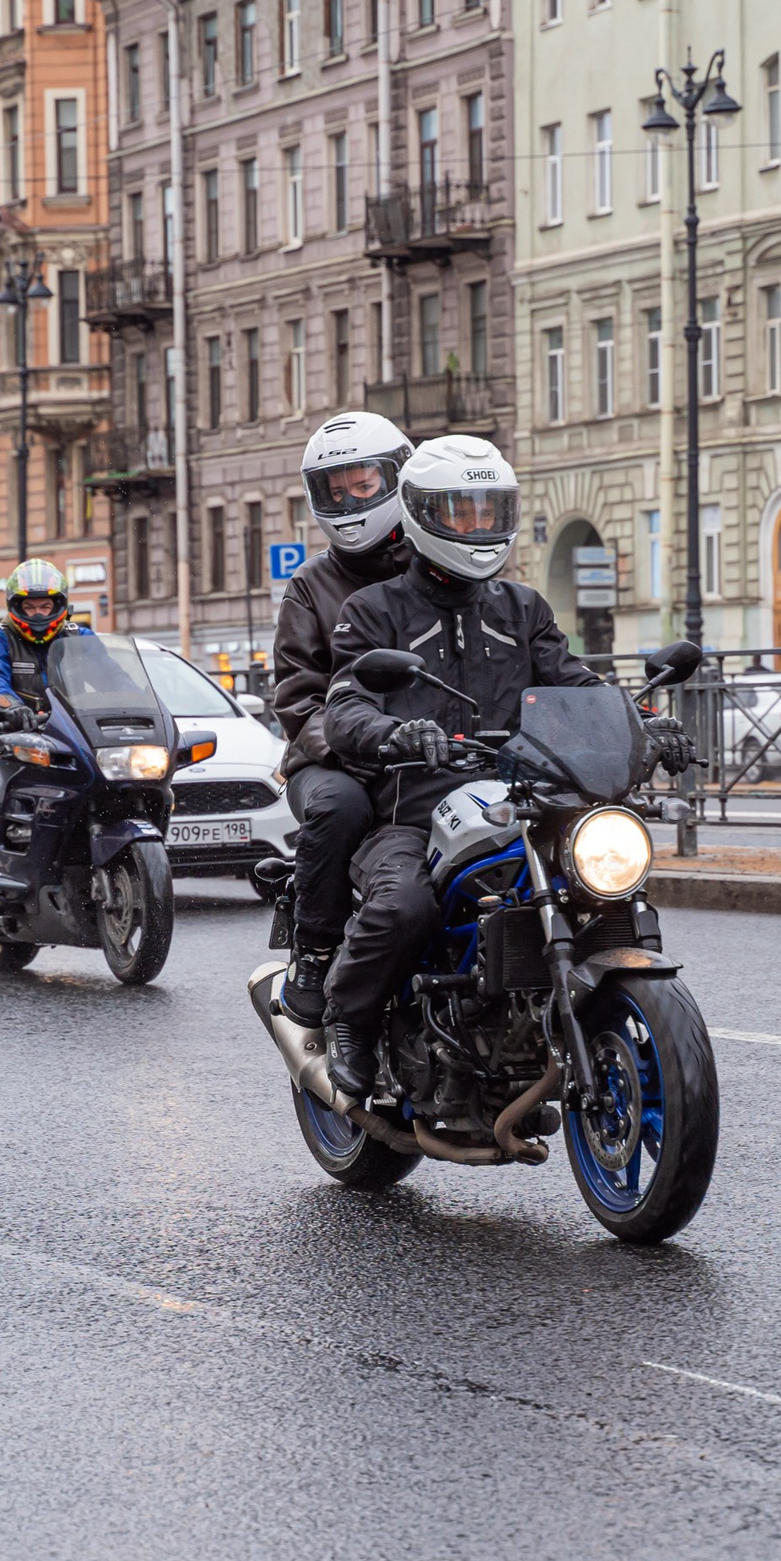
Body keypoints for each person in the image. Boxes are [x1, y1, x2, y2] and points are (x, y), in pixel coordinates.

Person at [317, 435, 692, 1100]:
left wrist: (644, 724)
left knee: (598, 880)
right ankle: (348, 1018)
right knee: (404, 905)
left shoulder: (523, 610)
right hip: (414, 807)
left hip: (525, 795)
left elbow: (575, 684)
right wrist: (394, 730)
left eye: (490, 511)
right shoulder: (372, 612)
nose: (479, 527)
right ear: (421, 513)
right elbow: (344, 706)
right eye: (462, 513)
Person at [267, 411, 415, 1026]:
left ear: (399, 478)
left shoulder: (441, 568)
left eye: (363, 484)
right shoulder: (310, 586)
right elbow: (298, 698)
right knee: (342, 806)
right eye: (336, 489)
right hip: (332, 756)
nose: (350, 499)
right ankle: (315, 946)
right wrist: (361, 742)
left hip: (430, 748)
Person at [0, 558, 94, 890]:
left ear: (59, 604)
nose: (37, 614)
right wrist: (11, 708)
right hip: (13, 742)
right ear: (15, 606)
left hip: (72, 740)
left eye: (45, 605)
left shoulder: (80, 637)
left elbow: (112, 676)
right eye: (30, 606)